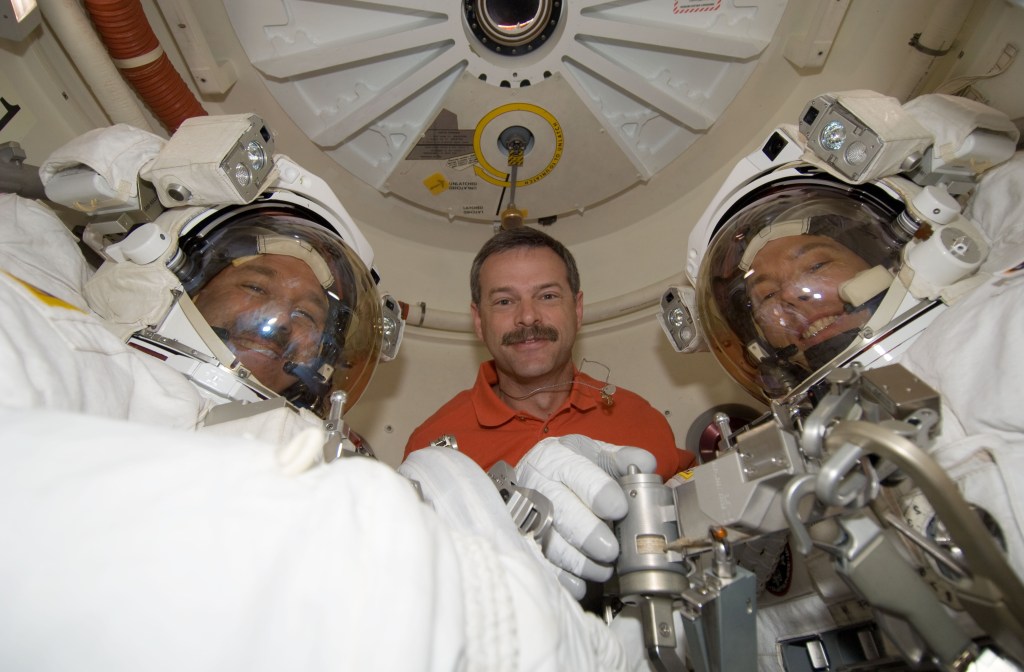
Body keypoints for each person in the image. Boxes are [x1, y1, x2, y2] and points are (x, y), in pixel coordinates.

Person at [0, 121, 647, 671]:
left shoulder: (312, 451)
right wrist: (503, 616)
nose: (285, 318)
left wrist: (486, 504)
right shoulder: (79, 354)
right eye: (255, 287)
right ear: (179, 278)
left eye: (311, 313)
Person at [404, 227, 690, 482]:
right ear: (479, 321)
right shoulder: (430, 449)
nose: (528, 317)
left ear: (577, 310)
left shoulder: (639, 420)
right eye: (504, 301)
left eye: (548, 296)